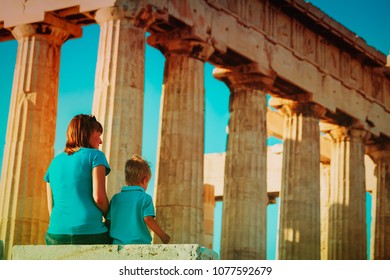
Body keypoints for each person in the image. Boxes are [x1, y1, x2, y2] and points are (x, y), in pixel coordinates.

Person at [44, 114, 111, 245]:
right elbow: (99, 198)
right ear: (86, 134)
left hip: (55, 234)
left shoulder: (54, 163)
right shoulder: (96, 156)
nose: (101, 141)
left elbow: (51, 207)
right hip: (89, 232)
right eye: (98, 136)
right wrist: (109, 218)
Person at [107, 155, 170, 244]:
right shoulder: (145, 198)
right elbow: (148, 219)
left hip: (117, 245)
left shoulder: (116, 199)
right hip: (139, 245)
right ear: (145, 180)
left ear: (126, 180)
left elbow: (109, 221)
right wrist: (163, 235)